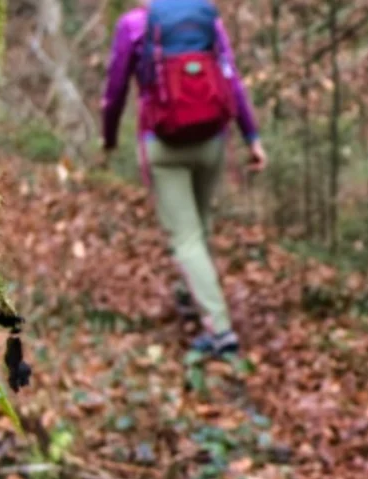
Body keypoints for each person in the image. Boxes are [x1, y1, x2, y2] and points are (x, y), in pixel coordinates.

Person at [101, 0, 266, 357]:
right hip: (213, 139)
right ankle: (192, 296)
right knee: (200, 228)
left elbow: (115, 90)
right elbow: (230, 79)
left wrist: (109, 138)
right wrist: (252, 137)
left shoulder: (133, 25)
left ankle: (220, 330)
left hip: (162, 144)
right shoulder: (206, 17)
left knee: (186, 238)